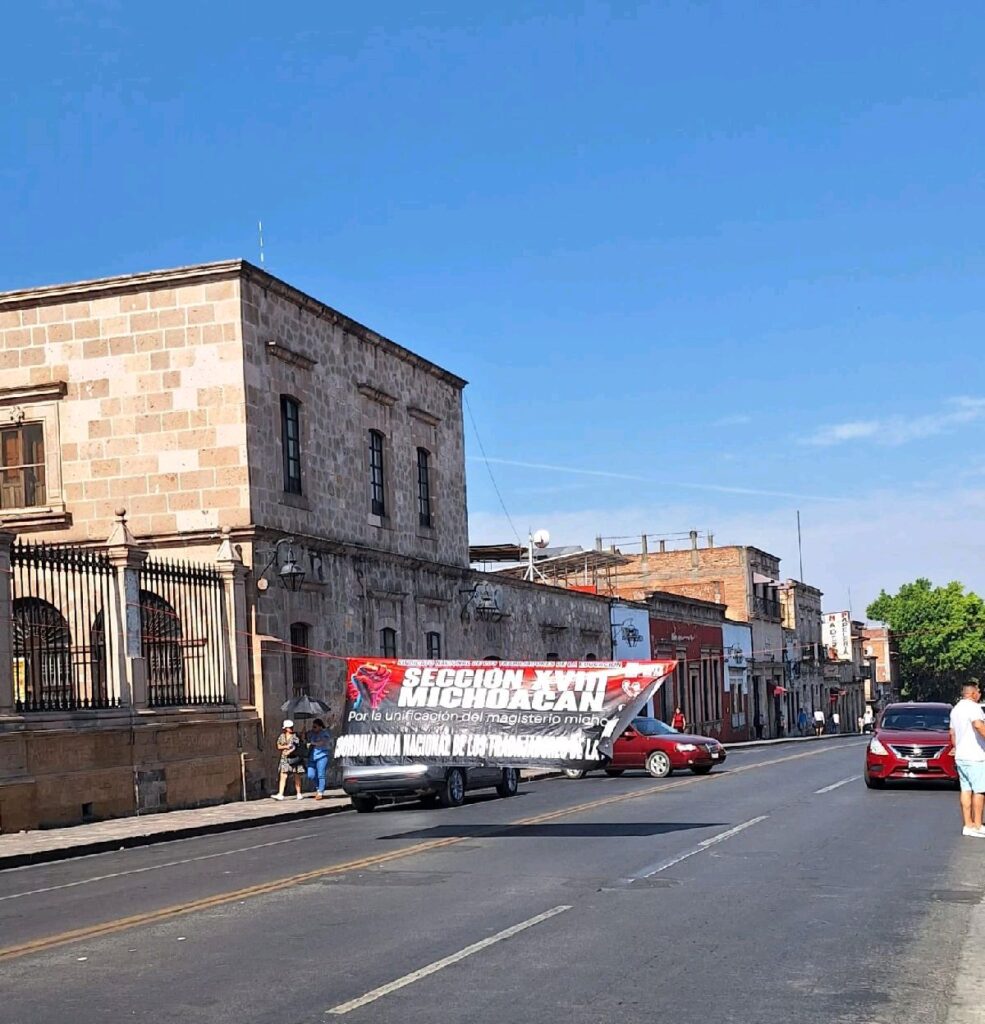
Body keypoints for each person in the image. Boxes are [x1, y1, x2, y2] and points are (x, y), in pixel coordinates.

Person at [950, 682, 985, 838]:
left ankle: (967, 824)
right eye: (979, 692)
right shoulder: (974, 708)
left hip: (961, 755)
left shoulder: (956, 709)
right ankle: (978, 825)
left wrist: (956, 747)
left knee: (966, 789)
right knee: (979, 790)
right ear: (972, 693)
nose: (980, 694)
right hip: (975, 755)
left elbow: (952, 733)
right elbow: (978, 725)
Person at [272, 719, 305, 800]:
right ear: (285, 728)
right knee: (283, 775)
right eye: (289, 727)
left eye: (291, 727)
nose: (291, 728)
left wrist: (289, 751)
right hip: (285, 758)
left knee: (296, 775)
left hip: (294, 757)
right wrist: (286, 747)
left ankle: (299, 793)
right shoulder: (282, 736)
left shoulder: (295, 736)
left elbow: (295, 746)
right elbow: (278, 746)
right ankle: (280, 794)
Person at [306, 717, 334, 800]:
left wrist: (313, 743)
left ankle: (320, 791)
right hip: (312, 756)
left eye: (315, 727)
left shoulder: (324, 733)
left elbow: (323, 742)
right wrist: (304, 734)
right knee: (311, 774)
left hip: (322, 755)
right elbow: (305, 738)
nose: (313, 728)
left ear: (320, 726)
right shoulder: (312, 733)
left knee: (321, 774)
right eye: (313, 727)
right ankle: (318, 787)